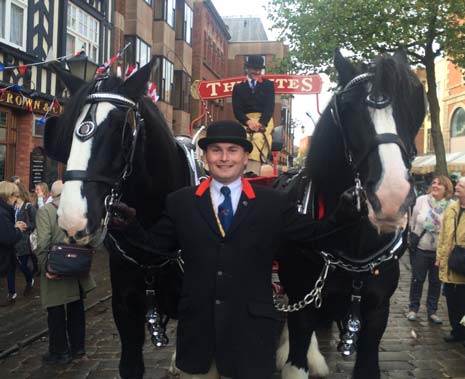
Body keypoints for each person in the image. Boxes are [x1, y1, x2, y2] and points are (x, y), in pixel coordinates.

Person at [112, 120, 363, 379]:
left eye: (232, 150)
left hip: (251, 338)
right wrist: (130, 227)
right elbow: (153, 251)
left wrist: (342, 217)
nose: (224, 158)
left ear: (245, 158)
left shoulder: (272, 204)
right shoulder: (181, 203)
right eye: (216, 150)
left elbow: (315, 235)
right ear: (206, 156)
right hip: (199, 338)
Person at [36, 180, 96, 364]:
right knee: (76, 310)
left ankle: (59, 352)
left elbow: (43, 243)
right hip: (77, 271)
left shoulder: (45, 211)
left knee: (55, 312)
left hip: (55, 268)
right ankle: (78, 350)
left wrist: (44, 268)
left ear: (52, 194)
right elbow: (90, 240)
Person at [407, 176, 453, 323]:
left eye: (439, 184)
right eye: (434, 183)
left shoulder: (451, 205)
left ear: (446, 188)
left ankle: (432, 311)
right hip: (421, 248)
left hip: (439, 251)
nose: (435, 185)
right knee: (417, 280)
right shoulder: (422, 200)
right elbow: (413, 221)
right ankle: (413, 309)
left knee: (435, 282)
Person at [232, 55, 275, 175]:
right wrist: (248, 121)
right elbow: (237, 110)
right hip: (245, 120)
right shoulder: (238, 87)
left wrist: (261, 123)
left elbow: (269, 107)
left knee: (258, 138)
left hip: (264, 120)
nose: (257, 71)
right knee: (242, 139)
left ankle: (253, 172)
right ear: (247, 68)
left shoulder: (268, 85)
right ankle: (238, 170)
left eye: (259, 69)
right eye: (254, 68)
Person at [436, 176, 465, 346]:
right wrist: (439, 256)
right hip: (450, 262)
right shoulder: (451, 209)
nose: (457, 187)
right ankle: (457, 331)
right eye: (458, 184)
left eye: (461, 185)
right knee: (452, 301)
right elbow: (443, 236)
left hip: (463, 261)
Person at [0, 181, 27, 306]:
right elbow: (8, 238)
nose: (17, 199)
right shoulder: (3, 212)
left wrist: (13, 226)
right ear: (8, 195)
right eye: (16, 196)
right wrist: (18, 230)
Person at [12, 183, 37, 296]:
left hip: (24, 240)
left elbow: (35, 223)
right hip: (13, 238)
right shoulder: (11, 206)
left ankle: (29, 279)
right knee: (15, 263)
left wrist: (26, 225)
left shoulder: (28, 206)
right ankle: (12, 292)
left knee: (22, 264)